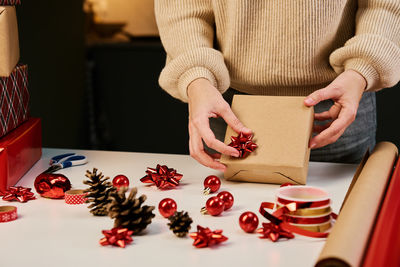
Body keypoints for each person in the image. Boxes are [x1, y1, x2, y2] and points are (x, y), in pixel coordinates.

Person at [154, 0, 400, 171]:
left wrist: (362, 69)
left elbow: (386, 5)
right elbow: (181, 6)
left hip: (337, 105)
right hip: (227, 107)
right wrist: (197, 78)